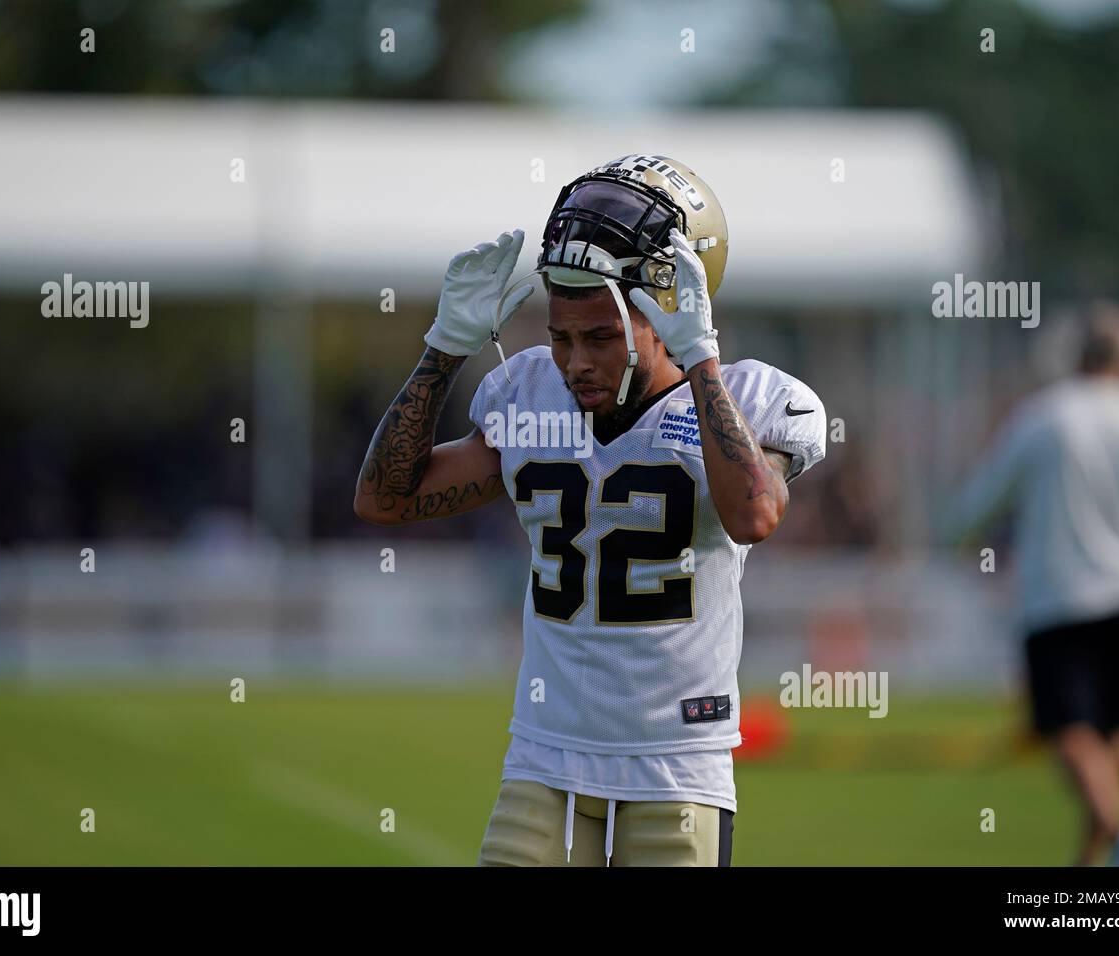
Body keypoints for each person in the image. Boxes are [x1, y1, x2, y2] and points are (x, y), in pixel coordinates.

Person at [354, 155, 826, 865]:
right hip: (545, 758)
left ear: (671, 312)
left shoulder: (750, 398)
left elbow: (755, 515)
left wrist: (701, 365)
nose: (575, 362)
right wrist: (442, 353)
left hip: (677, 765)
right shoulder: (528, 396)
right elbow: (384, 500)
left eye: (601, 337)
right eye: (561, 336)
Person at [952, 303, 1119, 866]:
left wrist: (963, 541)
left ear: (1077, 354)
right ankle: (1093, 870)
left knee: (1068, 728)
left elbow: (977, 504)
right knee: (1113, 733)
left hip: (1056, 601)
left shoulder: (1045, 418)